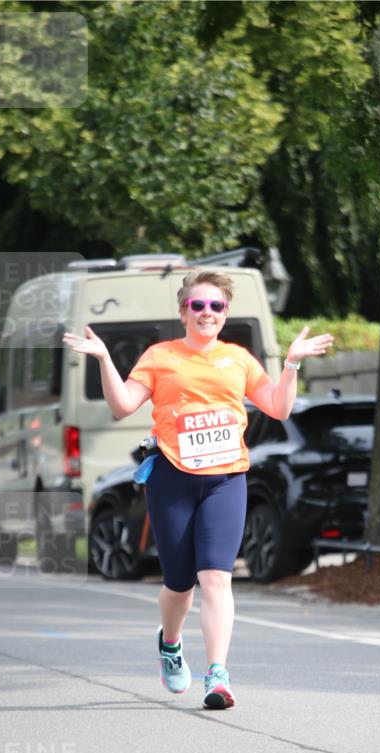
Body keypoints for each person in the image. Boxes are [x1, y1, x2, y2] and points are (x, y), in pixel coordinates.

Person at [63, 271, 333, 709]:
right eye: (199, 306)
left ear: (225, 314)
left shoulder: (239, 359)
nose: (208, 313)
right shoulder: (160, 356)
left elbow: (279, 408)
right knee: (179, 583)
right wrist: (103, 359)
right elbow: (121, 406)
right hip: (172, 478)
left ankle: (218, 675)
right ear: (183, 311)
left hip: (227, 479)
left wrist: (292, 363)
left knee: (216, 578)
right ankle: (170, 644)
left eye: (217, 307)